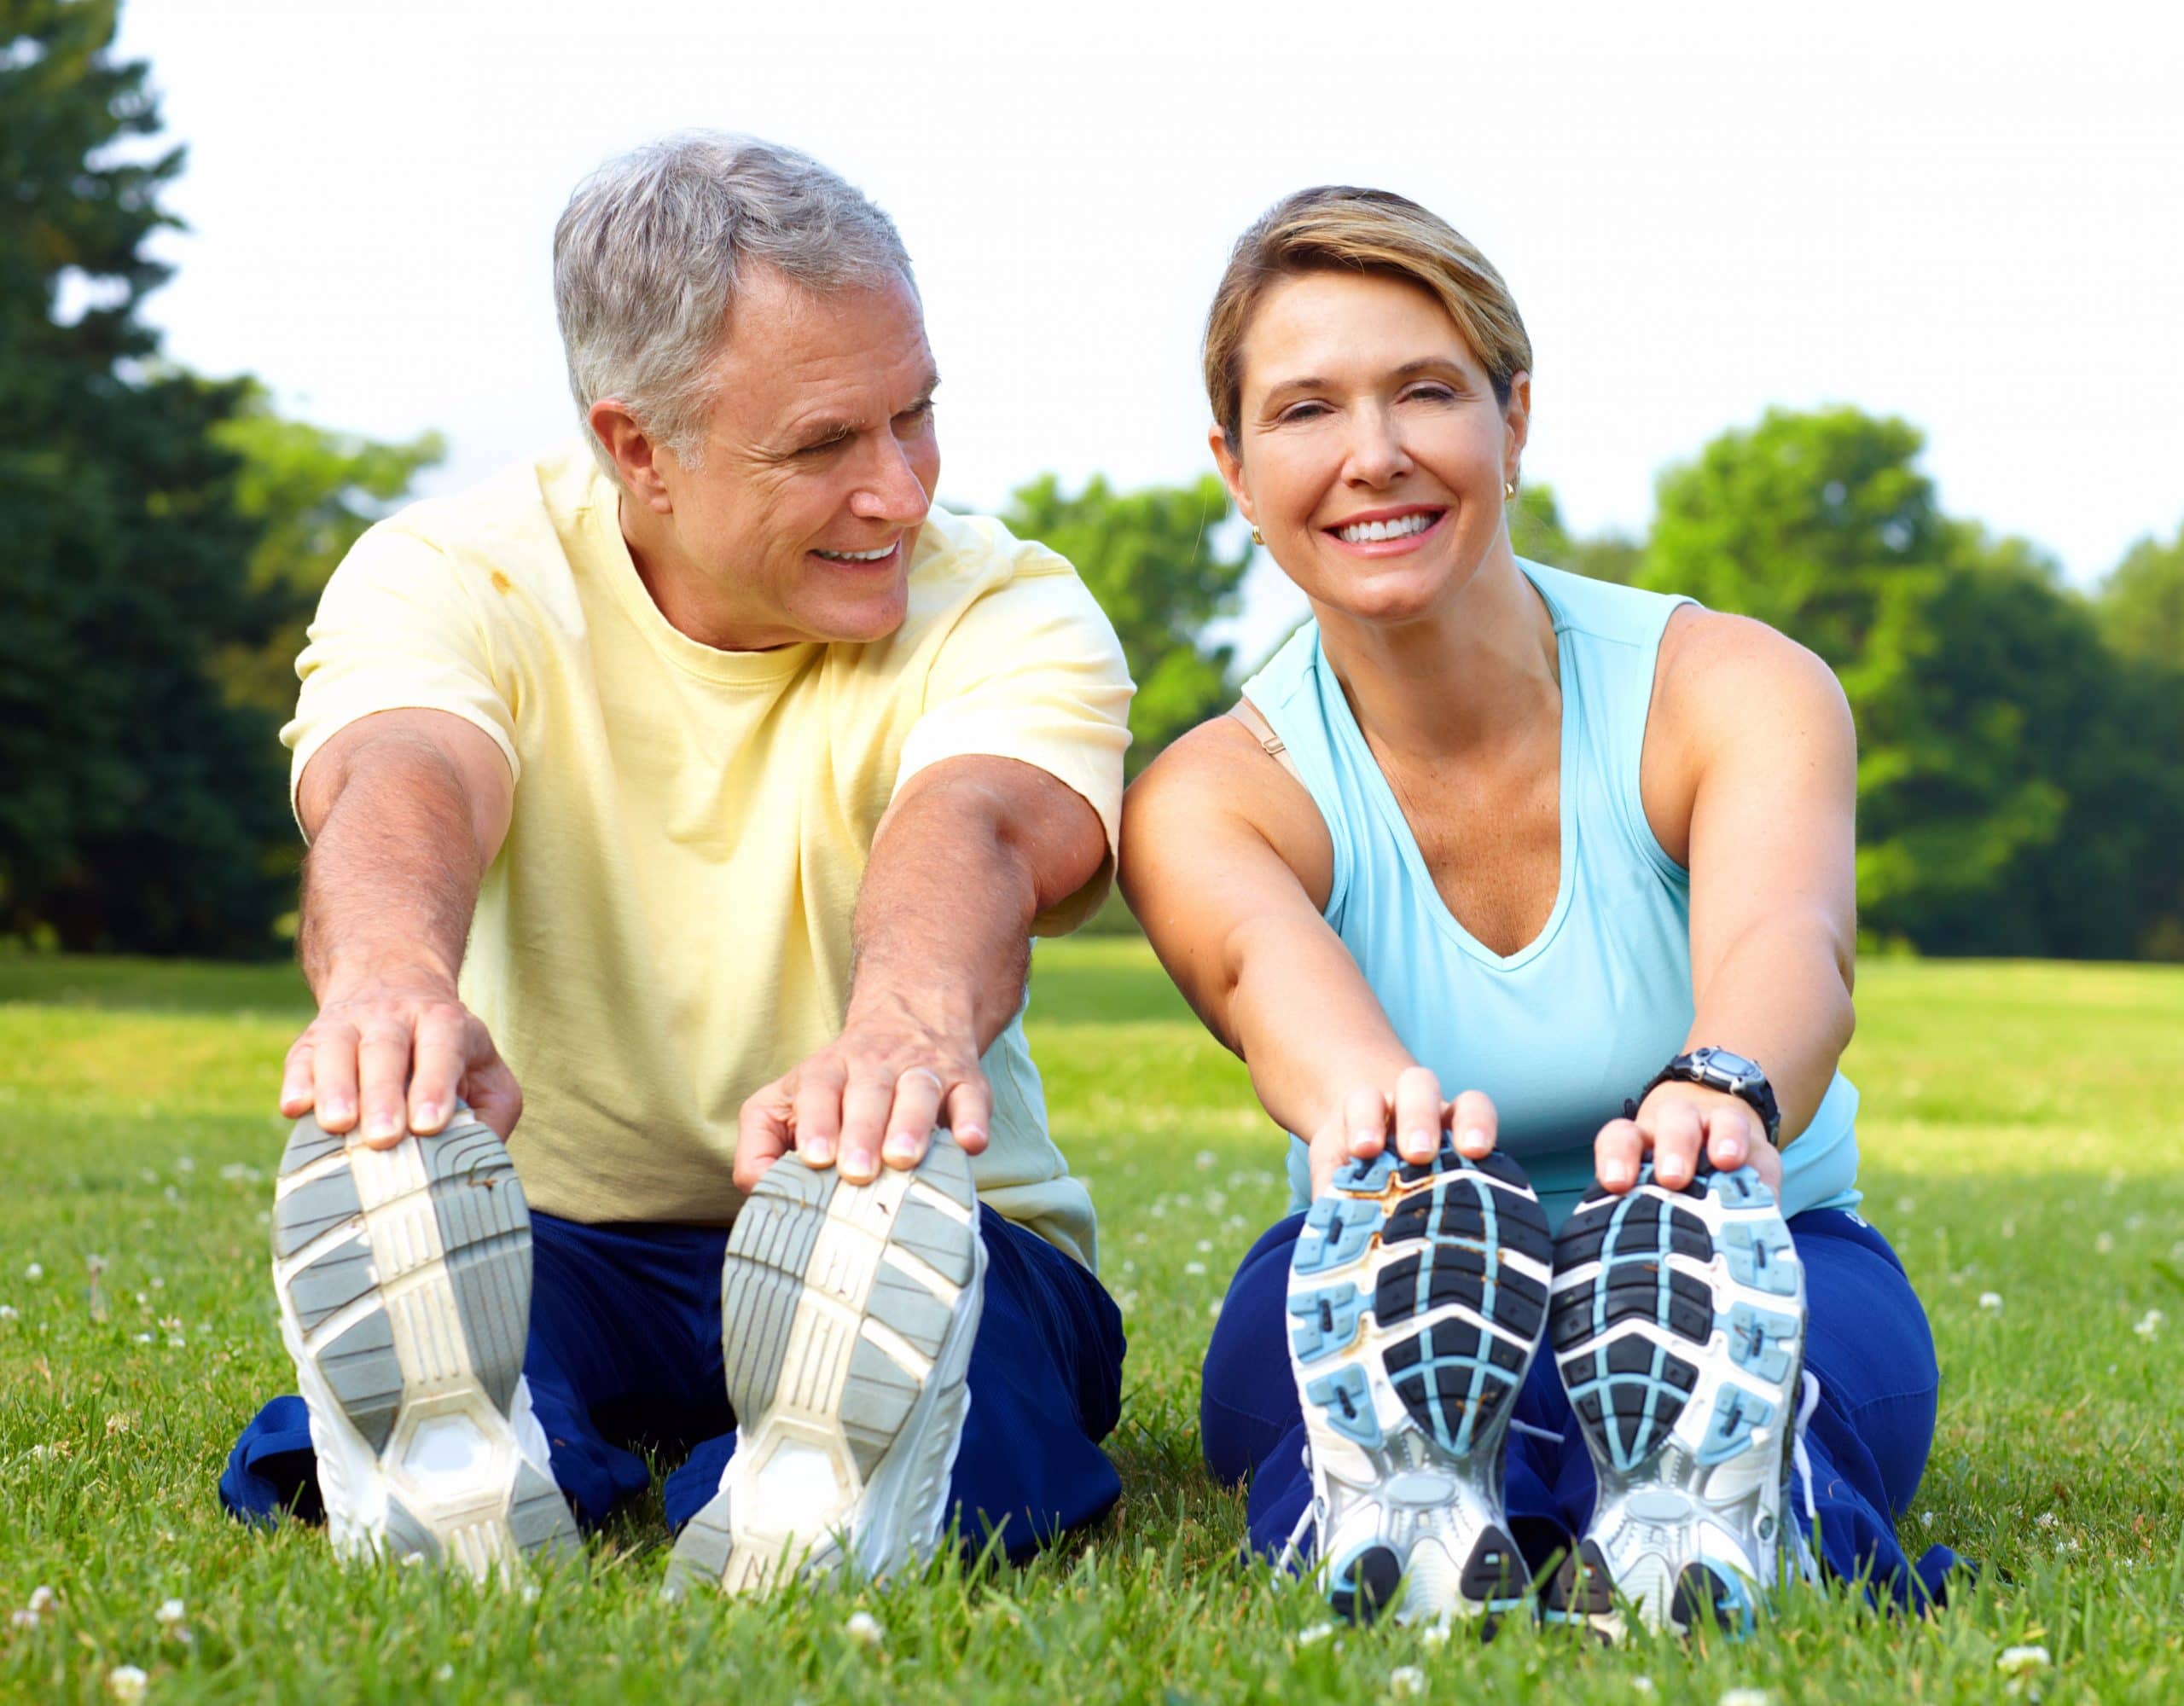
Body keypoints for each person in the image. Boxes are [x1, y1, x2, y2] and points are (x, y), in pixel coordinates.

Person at [219, 133, 1133, 1593]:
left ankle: (823, 1481)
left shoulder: (1008, 606)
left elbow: (979, 822)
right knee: (495, 1330)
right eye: (825, 446)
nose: (900, 491)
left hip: (924, 1222)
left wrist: (903, 1027)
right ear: (638, 447)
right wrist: (390, 981)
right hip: (562, 1238)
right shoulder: (454, 575)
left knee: (985, 1382)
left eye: (915, 415)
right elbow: (405, 773)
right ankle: (484, 1458)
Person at [1120, 186, 1955, 1634]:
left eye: (1426, 392)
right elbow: (1267, 979)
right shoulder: (1214, 795)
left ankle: (1732, 1497)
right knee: (1323, 1364)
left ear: (1514, 420)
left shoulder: (1731, 689)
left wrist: (1719, 1093)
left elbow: (1790, 943)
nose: (1374, 455)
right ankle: (1408, 1500)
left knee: (1786, 1374)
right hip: (1381, 1253)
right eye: (1306, 410)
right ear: (1236, 472)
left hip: (1759, 1250)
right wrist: (1392, 1130)